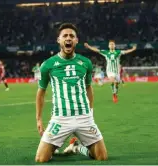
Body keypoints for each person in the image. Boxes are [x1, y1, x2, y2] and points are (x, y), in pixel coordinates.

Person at [35, 23, 107, 163]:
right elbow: (41, 92)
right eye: (65, 36)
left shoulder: (85, 63)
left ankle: (76, 148)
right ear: (59, 40)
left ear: (76, 40)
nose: (68, 38)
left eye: (71, 36)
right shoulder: (48, 64)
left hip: (84, 117)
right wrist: (38, 119)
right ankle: (53, 146)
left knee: (102, 157)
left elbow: (88, 88)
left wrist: (90, 111)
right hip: (60, 118)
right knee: (40, 159)